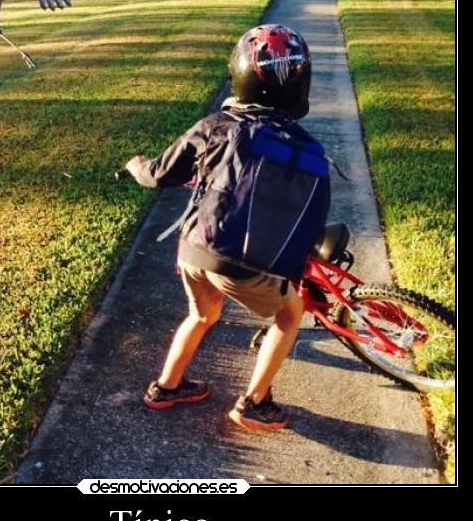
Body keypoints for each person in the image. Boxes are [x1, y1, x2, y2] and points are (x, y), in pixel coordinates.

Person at [125, 23, 325, 432]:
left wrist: (135, 166)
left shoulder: (215, 125)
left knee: (202, 314)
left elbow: (159, 174)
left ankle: (167, 387)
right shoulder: (304, 148)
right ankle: (255, 403)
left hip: (194, 250)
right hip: (239, 263)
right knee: (290, 315)